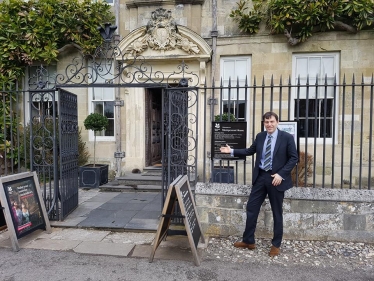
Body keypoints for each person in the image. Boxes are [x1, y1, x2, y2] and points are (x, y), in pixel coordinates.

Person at [220, 111, 298, 257]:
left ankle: (276, 244)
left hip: (276, 179)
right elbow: (250, 150)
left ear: (277, 122)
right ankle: (249, 240)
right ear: (264, 123)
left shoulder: (286, 137)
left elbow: (294, 158)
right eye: (266, 122)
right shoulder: (260, 136)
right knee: (252, 207)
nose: (269, 124)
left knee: (277, 212)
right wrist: (231, 151)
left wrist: (281, 174)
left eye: (272, 121)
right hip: (261, 177)